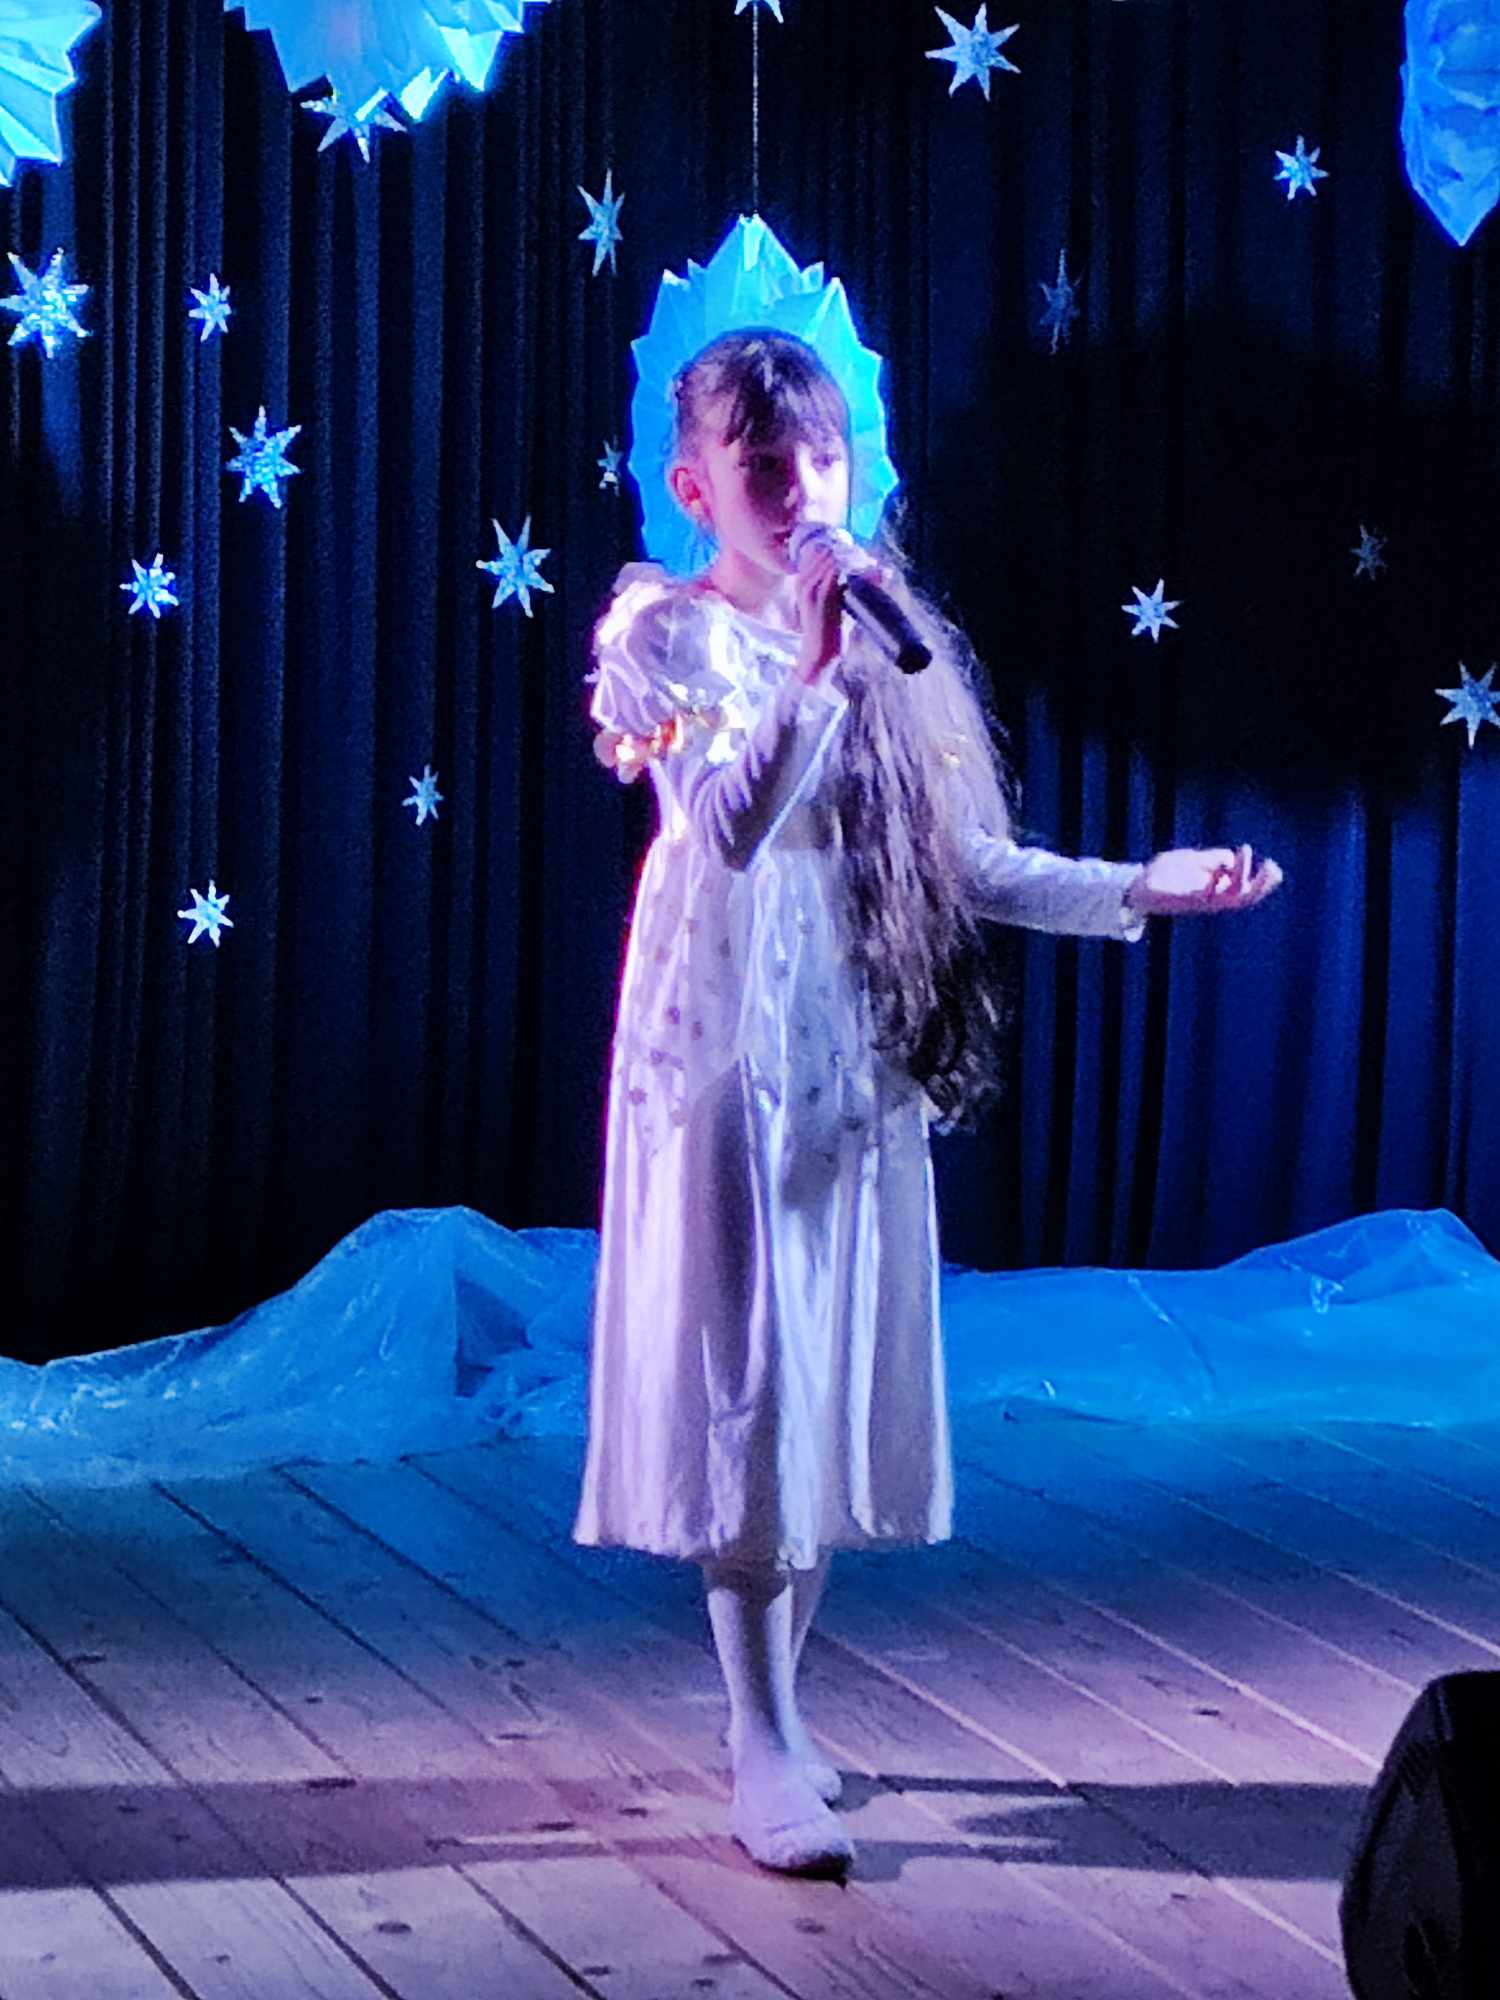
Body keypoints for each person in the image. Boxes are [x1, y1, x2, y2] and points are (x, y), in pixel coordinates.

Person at [572, 328, 1281, 1876]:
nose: (802, 490)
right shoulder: (665, 633)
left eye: (822, 459)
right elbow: (729, 822)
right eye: (766, 464)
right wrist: (816, 672)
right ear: (697, 486)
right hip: (724, 1051)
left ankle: (780, 1714)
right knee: (754, 1383)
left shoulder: (889, 645)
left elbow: (965, 862)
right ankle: (758, 1738)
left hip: (851, 1047)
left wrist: (1143, 886)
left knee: (823, 1380)